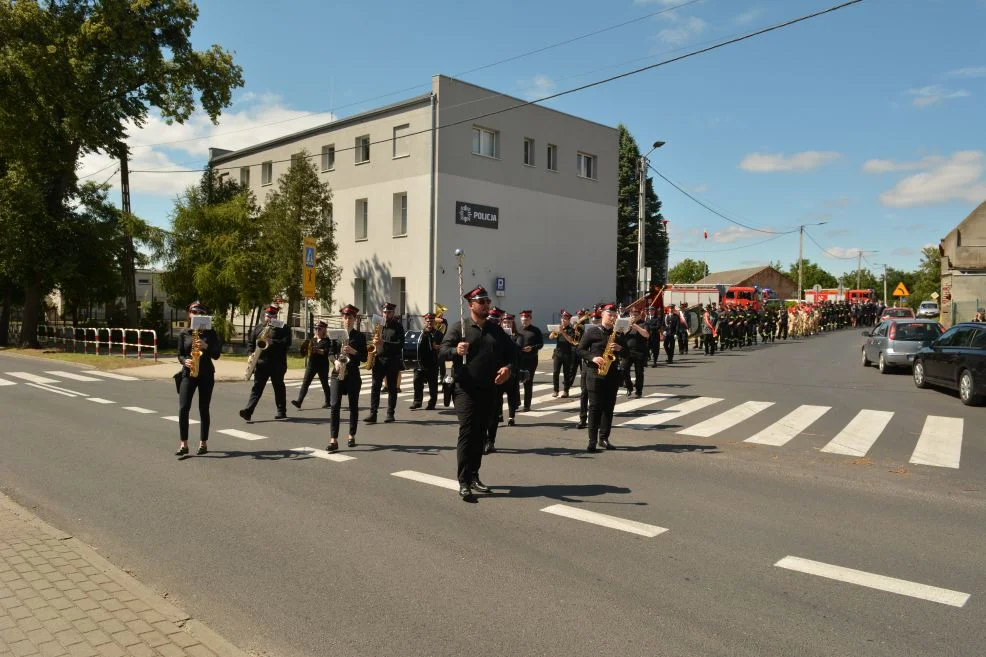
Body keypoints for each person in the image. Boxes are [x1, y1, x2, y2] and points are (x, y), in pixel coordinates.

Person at [439, 286, 515, 501]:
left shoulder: (495, 330)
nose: (486, 305)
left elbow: (513, 354)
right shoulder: (459, 328)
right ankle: (463, 481)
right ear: (471, 305)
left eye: (488, 301)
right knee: (468, 430)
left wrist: (508, 368)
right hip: (465, 387)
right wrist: (456, 351)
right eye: (482, 302)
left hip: (489, 388)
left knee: (481, 433)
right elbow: (442, 352)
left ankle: (474, 475)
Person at [576, 303, 625, 452]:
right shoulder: (592, 332)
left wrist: (620, 348)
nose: (612, 317)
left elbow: (628, 354)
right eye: (609, 314)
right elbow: (579, 350)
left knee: (608, 408)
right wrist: (593, 358)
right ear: (602, 314)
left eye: (614, 314)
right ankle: (592, 441)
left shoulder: (619, 333)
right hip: (595, 374)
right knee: (595, 408)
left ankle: (603, 438)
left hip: (612, 375)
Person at [175, 301, 222, 457]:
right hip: (188, 373)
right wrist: (184, 361)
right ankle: (184, 444)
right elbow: (180, 354)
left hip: (206, 374)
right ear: (189, 314)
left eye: (201, 313)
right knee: (183, 408)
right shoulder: (184, 333)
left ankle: (203, 443)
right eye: (194, 312)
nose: (197, 315)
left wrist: (206, 346)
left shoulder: (211, 333)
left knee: (203, 409)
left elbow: (217, 354)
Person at [240, 305, 291, 422]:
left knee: (278, 387)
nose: (269, 318)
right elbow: (250, 343)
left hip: (277, 363)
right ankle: (248, 411)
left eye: (272, 315)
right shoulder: (259, 328)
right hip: (261, 363)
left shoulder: (284, 328)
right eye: (268, 316)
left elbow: (287, 343)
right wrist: (250, 354)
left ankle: (281, 411)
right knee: (257, 388)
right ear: (265, 316)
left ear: (276, 316)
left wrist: (272, 342)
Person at [327, 305, 368, 451]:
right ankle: (333, 440)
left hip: (353, 374)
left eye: (350, 318)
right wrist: (335, 361)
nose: (347, 320)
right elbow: (330, 352)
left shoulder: (360, 336)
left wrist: (353, 351)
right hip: (337, 373)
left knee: (353, 406)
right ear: (341, 318)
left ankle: (351, 435)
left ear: (354, 319)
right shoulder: (335, 334)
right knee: (334, 406)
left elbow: (364, 357)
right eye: (345, 317)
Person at [365, 302, 405, 424]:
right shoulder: (379, 325)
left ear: (393, 313)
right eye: (385, 312)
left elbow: (400, 345)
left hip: (392, 360)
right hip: (379, 359)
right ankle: (373, 414)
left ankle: (390, 414)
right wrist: (374, 343)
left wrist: (383, 343)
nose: (386, 314)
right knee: (375, 387)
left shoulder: (398, 327)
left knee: (392, 388)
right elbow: (376, 341)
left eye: (389, 312)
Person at [291, 321, 331, 409]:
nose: (317, 330)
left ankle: (328, 401)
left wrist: (317, 350)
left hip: (322, 365)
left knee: (324, 383)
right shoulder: (312, 339)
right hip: (311, 364)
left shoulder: (326, 340)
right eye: (316, 328)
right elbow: (307, 351)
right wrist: (304, 349)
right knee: (305, 383)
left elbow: (326, 352)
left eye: (319, 328)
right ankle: (299, 401)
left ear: (324, 329)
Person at [410, 312, 441, 410]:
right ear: (425, 322)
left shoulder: (439, 334)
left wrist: (437, 347)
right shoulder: (420, 333)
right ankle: (417, 402)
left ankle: (432, 403)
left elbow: (444, 347)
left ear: (434, 322)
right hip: (420, 362)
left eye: (431, 321)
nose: (429, 323)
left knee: (433, 384)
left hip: (432, 362)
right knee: (417, 381)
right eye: (427, 321)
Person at [620, 306, 650, 398]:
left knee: (639, 373)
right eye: (632, 313)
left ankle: (639, 391)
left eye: (636, 313)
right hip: (627, 351)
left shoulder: (644, 323)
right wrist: (627, 327)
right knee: (623, 369)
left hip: (639, 351)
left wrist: (635, 325)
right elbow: (620, 335)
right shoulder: (625, 324)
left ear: (639, 315)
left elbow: (646, 335)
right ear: (630, 314)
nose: (634, 315)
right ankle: (629, 387)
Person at [517, 310, 543, 411]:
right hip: (519, 359)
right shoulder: (518, 329)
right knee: (516, 382)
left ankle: (527, 405)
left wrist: (532, 348)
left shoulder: (536, 330)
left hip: (531, 360)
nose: (524, 322)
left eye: (526, 320)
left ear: (530, 319)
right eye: (523, 320)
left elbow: (541, 344)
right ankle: (516, 402)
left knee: (528, 382)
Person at [550, 310, 577, 398]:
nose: (563, 320)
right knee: (555, 372)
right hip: (558, 353)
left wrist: (563, 332)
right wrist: (554, 333)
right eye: (562, 318)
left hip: (567, 354)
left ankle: (566, 391)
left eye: (565, 319)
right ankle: (555, 390)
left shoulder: (571, 329)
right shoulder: (558, 328)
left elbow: (571, 340)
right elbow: (551, 337)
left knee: (566, 373)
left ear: (569, 320)